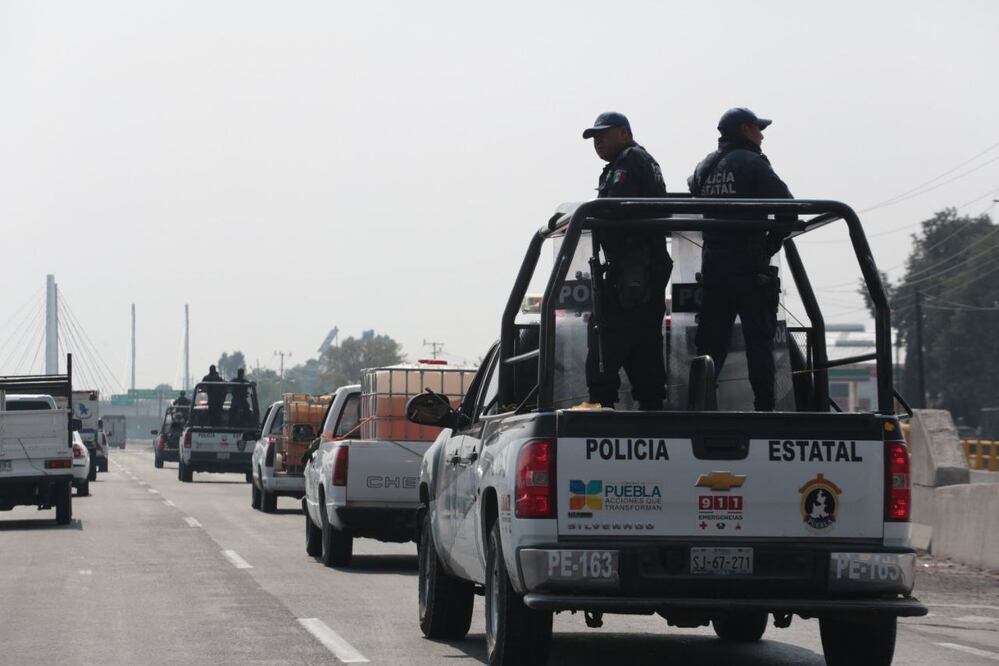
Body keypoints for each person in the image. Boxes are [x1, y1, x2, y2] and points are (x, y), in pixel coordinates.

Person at [687, 107, 792, 411]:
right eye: (758, 129)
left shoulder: (704, 167)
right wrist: (767, 247)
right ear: (746, 129)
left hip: (714, 271)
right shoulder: (753, 163)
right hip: (749, 270)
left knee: (709, 348)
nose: (761, 136)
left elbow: (695, 194)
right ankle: (764, 409)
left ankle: (700, 411)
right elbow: (789, 209)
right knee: (758, 342)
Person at [579, 111, 671, 410]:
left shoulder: (631, 161)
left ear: (624, 132)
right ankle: (647, 402)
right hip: (635, 265)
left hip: (637, 265)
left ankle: (602, 402)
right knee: (640, 338)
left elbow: (616, 209)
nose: (598, 141)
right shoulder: (623, 163)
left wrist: (590, 216)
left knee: (606, 331)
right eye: (594, 137)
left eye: (603, 134)